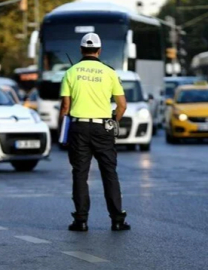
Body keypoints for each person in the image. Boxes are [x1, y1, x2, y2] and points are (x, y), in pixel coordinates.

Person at [59, 33, 130, 232]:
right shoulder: (109, 73)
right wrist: (112, 123)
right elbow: (122, 106)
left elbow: (65, 107)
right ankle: (117, 219)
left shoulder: (71, 72)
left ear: (81, 50)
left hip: (79, 128)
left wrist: (63, 134)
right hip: (102, 128)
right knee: (109, 173)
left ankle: (81, 220)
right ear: (99, 50)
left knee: (80, 174)